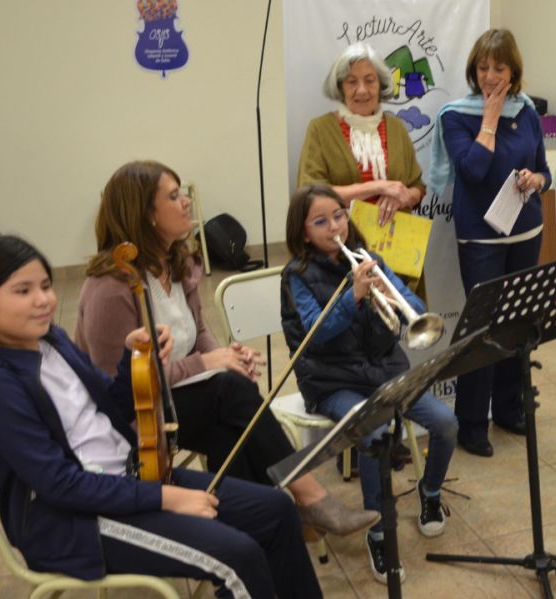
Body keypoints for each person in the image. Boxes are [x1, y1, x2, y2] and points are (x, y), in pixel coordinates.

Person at [0, 235, 322, 599]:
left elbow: (114, 409)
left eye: (45, 286)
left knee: (275, 509)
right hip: (73, 520)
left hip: (130, 480)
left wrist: (136, 362)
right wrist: (167, 498)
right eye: (23, 291)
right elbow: (60, 485)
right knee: (236, 556)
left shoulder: (51, 341)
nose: (43, 300)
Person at [74, 160, 379, 537]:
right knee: (232, 393)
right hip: (136, 418)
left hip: (177, 400)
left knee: (232, 426)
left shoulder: (177, 262)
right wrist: (208, 363)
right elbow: (117, 387)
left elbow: (198, 330)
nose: (186, 202)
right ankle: (309, 497)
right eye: (173, 196)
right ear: (146, 214)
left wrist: (227, 357)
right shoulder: (109, 288)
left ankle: (253, 531)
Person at [280, 183, 458, 584]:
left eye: (339, 216)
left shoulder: (367, 257)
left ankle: (430, 494)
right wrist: (354, 297)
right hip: (331, 382)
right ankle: (378, 533)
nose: (334, 226)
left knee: (446, 423)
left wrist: (397, 299)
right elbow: (314, 332)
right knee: (376, 436)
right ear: (303, 232)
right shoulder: (297, 276)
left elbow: (412, 309)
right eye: (321, 221)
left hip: (383, 371)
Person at [428, 28, 551, 457]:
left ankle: (509, 408)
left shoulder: (530, 111)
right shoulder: (454, 115)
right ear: (473, 69)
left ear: (513, 70)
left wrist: (537, 180)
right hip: (480, 236)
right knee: (482, 327)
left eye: (499, 67)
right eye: (483, 67)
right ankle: (471, 422)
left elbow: (544, 171)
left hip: (525, 231)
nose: (490, 76)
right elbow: (473, 171)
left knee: (515, 322)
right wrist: (490, 120)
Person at [297, 42, 425, 226]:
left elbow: (418, 188)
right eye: (352, 82)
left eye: (370, 80)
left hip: (394, 244)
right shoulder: (320, 129)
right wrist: (379, 187)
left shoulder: (397, 128)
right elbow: (311, 194)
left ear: (380, 85)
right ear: (340, 88)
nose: (362, 90)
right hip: (340, 244)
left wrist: (401, 197)